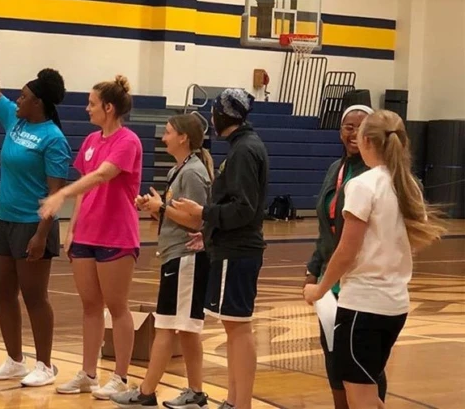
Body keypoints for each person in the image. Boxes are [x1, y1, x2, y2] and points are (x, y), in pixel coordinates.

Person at [304, 110, 446, 409]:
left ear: (366, 141)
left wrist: (319, 288)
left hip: (363, 306)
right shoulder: (407, 185)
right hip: (395, 304)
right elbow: (414, 241)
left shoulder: (363, 185)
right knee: (368, 390)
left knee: (361, 397)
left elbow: (347, 249)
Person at [39, 75, 143, 400]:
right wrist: (73, 228)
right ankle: (88, 373)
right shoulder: (90, 141)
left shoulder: (128, 141)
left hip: (117, 234)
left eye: (92, 103)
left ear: (108, 108)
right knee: (89, 306)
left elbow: (100, 176)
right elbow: (87, 185)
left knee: (117, 306)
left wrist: (60, 196)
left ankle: (121, 377)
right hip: (87, 234)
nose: (87, 109)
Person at [0, 32, 71, 386]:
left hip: (34, 226)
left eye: (24, 96)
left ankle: (45, 365)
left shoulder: (53, 139)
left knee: (35, 297)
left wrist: (41, 235)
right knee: (3, 292)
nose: (17, 99)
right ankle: (15, 360)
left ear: (39, 104)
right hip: (3, 222)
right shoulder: (14, 121)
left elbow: (55, 195)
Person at [172, 88, 269, 409]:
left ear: (223, 115)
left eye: (214, 111)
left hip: (238, 250)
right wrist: (210, 232)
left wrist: (203, 215)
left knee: (238, 328)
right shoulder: (244, 146)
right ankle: (234, 400)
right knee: (235, 328)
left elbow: (243, 208)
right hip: (232, 246)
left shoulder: (243, 151)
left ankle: (241, 404)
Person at [111, 114, 213, 408]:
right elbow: (175, 215)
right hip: (177, 257)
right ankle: (195, 391)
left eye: (168, 132)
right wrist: (154, 208)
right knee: (188, 328)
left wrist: (163, 206)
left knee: (167, 327)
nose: (163, 137)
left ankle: (145, 392)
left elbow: (195, 219)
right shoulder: (179, 170)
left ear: (183, 138)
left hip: (187, 258)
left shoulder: (192, 173)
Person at [305, 105, 390, 409]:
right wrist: (313, 270)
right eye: (347, 127)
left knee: (363, 364)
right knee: (334, 355)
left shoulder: (379, 177)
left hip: (362, 282)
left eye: (360, 126)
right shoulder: (335, 170)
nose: (353, 133)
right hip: (332, 281)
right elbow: (326, 229)